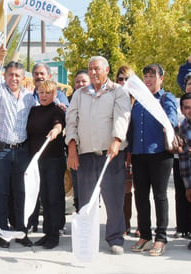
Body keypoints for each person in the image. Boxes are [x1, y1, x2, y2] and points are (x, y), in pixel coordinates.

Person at [66, 56, 131, 255]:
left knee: (113, 199)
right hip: (85, 154)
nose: (93, 72)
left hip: (110, 154)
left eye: (97, 69)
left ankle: (115, 238)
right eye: (90, 69)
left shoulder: (118, 92)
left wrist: (117, 140)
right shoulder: (80, 94)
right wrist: (72, 148)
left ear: (107, 70)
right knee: (86, 200)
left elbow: (122, 117)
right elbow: (71, 121)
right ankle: (87, 238)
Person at [0, 44, 35, 248]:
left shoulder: (28, 96)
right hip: (0, 151)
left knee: (21, 192)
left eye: (17, 75)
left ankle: (21, 230)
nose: (14, 78)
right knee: (1, 192)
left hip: (21, 151)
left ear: (23, 77)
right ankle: (3, 232)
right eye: (10, 74)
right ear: (5, 76)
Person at [129, 64, 177, 256]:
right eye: (145, 76)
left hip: (159, 154)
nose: (148, 79)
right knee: (140, 195)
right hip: (139, 154)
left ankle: (161, 237)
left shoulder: (166, 98)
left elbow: (172, 118)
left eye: (152, 76)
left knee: (160, 195)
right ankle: (145, 235)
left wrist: (168, 124)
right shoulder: (138, 100)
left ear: (161, 79)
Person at [26, 80, 66, 249]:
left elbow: (58, 123)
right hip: (37, 160)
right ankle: (47, 231)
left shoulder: (57, 110)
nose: (44, 96)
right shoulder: (33, 110)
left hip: (53, 160)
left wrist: (56, 130)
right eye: (41, 92)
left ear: (54, 95)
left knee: (54, 197)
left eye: (48, 93)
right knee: (44, 197)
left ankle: (54, 234)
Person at [115, 65, 139, 237]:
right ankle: (125, 223)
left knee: (141, 190)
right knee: (125, 190)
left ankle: (142, 225)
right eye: (120, 79)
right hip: (122, 149)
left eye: (126, 79)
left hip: (139, 150)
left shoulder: (140, 101)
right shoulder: (114, 98)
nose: (123, 82)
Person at [68, 69, 91, 212]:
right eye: (77, 82)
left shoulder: (97, 98)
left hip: (91, 150)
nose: (80, 84)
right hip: (74, 149)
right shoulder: (69, 100)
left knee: (90, 187)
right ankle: (79, 213)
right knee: (77, 185)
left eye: (84, 81)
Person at [173, 73, 191, 240]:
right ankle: (182, 227)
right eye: (189, 84)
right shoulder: (180, 106)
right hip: (182, 160)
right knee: (182, 193)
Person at [178, 92, 191, 251]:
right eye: (187, 108)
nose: (190, 110)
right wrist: (188, 186)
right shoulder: (181, 128)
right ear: (181, 110)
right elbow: (183, 160)